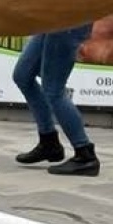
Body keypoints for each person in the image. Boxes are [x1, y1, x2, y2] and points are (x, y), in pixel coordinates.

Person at [12, 24, 100, 176]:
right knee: (23, 76)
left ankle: (85, 154)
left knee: (53, 89)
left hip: (68, 20)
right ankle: (49, 143)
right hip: (50, 21)